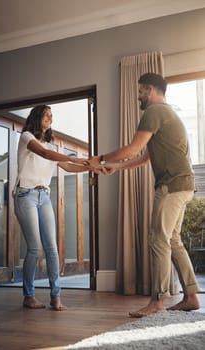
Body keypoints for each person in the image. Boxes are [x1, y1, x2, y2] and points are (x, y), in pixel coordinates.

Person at [88, 73, 200, 317]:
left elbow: (132, 147)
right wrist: (116, 167)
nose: (138, 96)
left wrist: (101, 158)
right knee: (172, 240)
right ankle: (191, 296)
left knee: (159, 240)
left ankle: (157, 301)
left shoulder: (153, 112)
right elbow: (144, 156)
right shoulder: (168, 114)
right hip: (184, 185)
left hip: (171, 185)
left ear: (149, 90)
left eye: (140, 91)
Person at [14, 104, 93, 310]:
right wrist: (73, 157)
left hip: (44, 196)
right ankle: (28, 296)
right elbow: (45, 155)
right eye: (46, 115)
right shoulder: (26, 138)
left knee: (52, 248)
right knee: (34, 248)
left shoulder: (51, 146)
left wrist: (92, 167)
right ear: (37, 117)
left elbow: (68, 166)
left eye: (51, 115)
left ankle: (55, 297)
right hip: (26, 195)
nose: (50, 118)